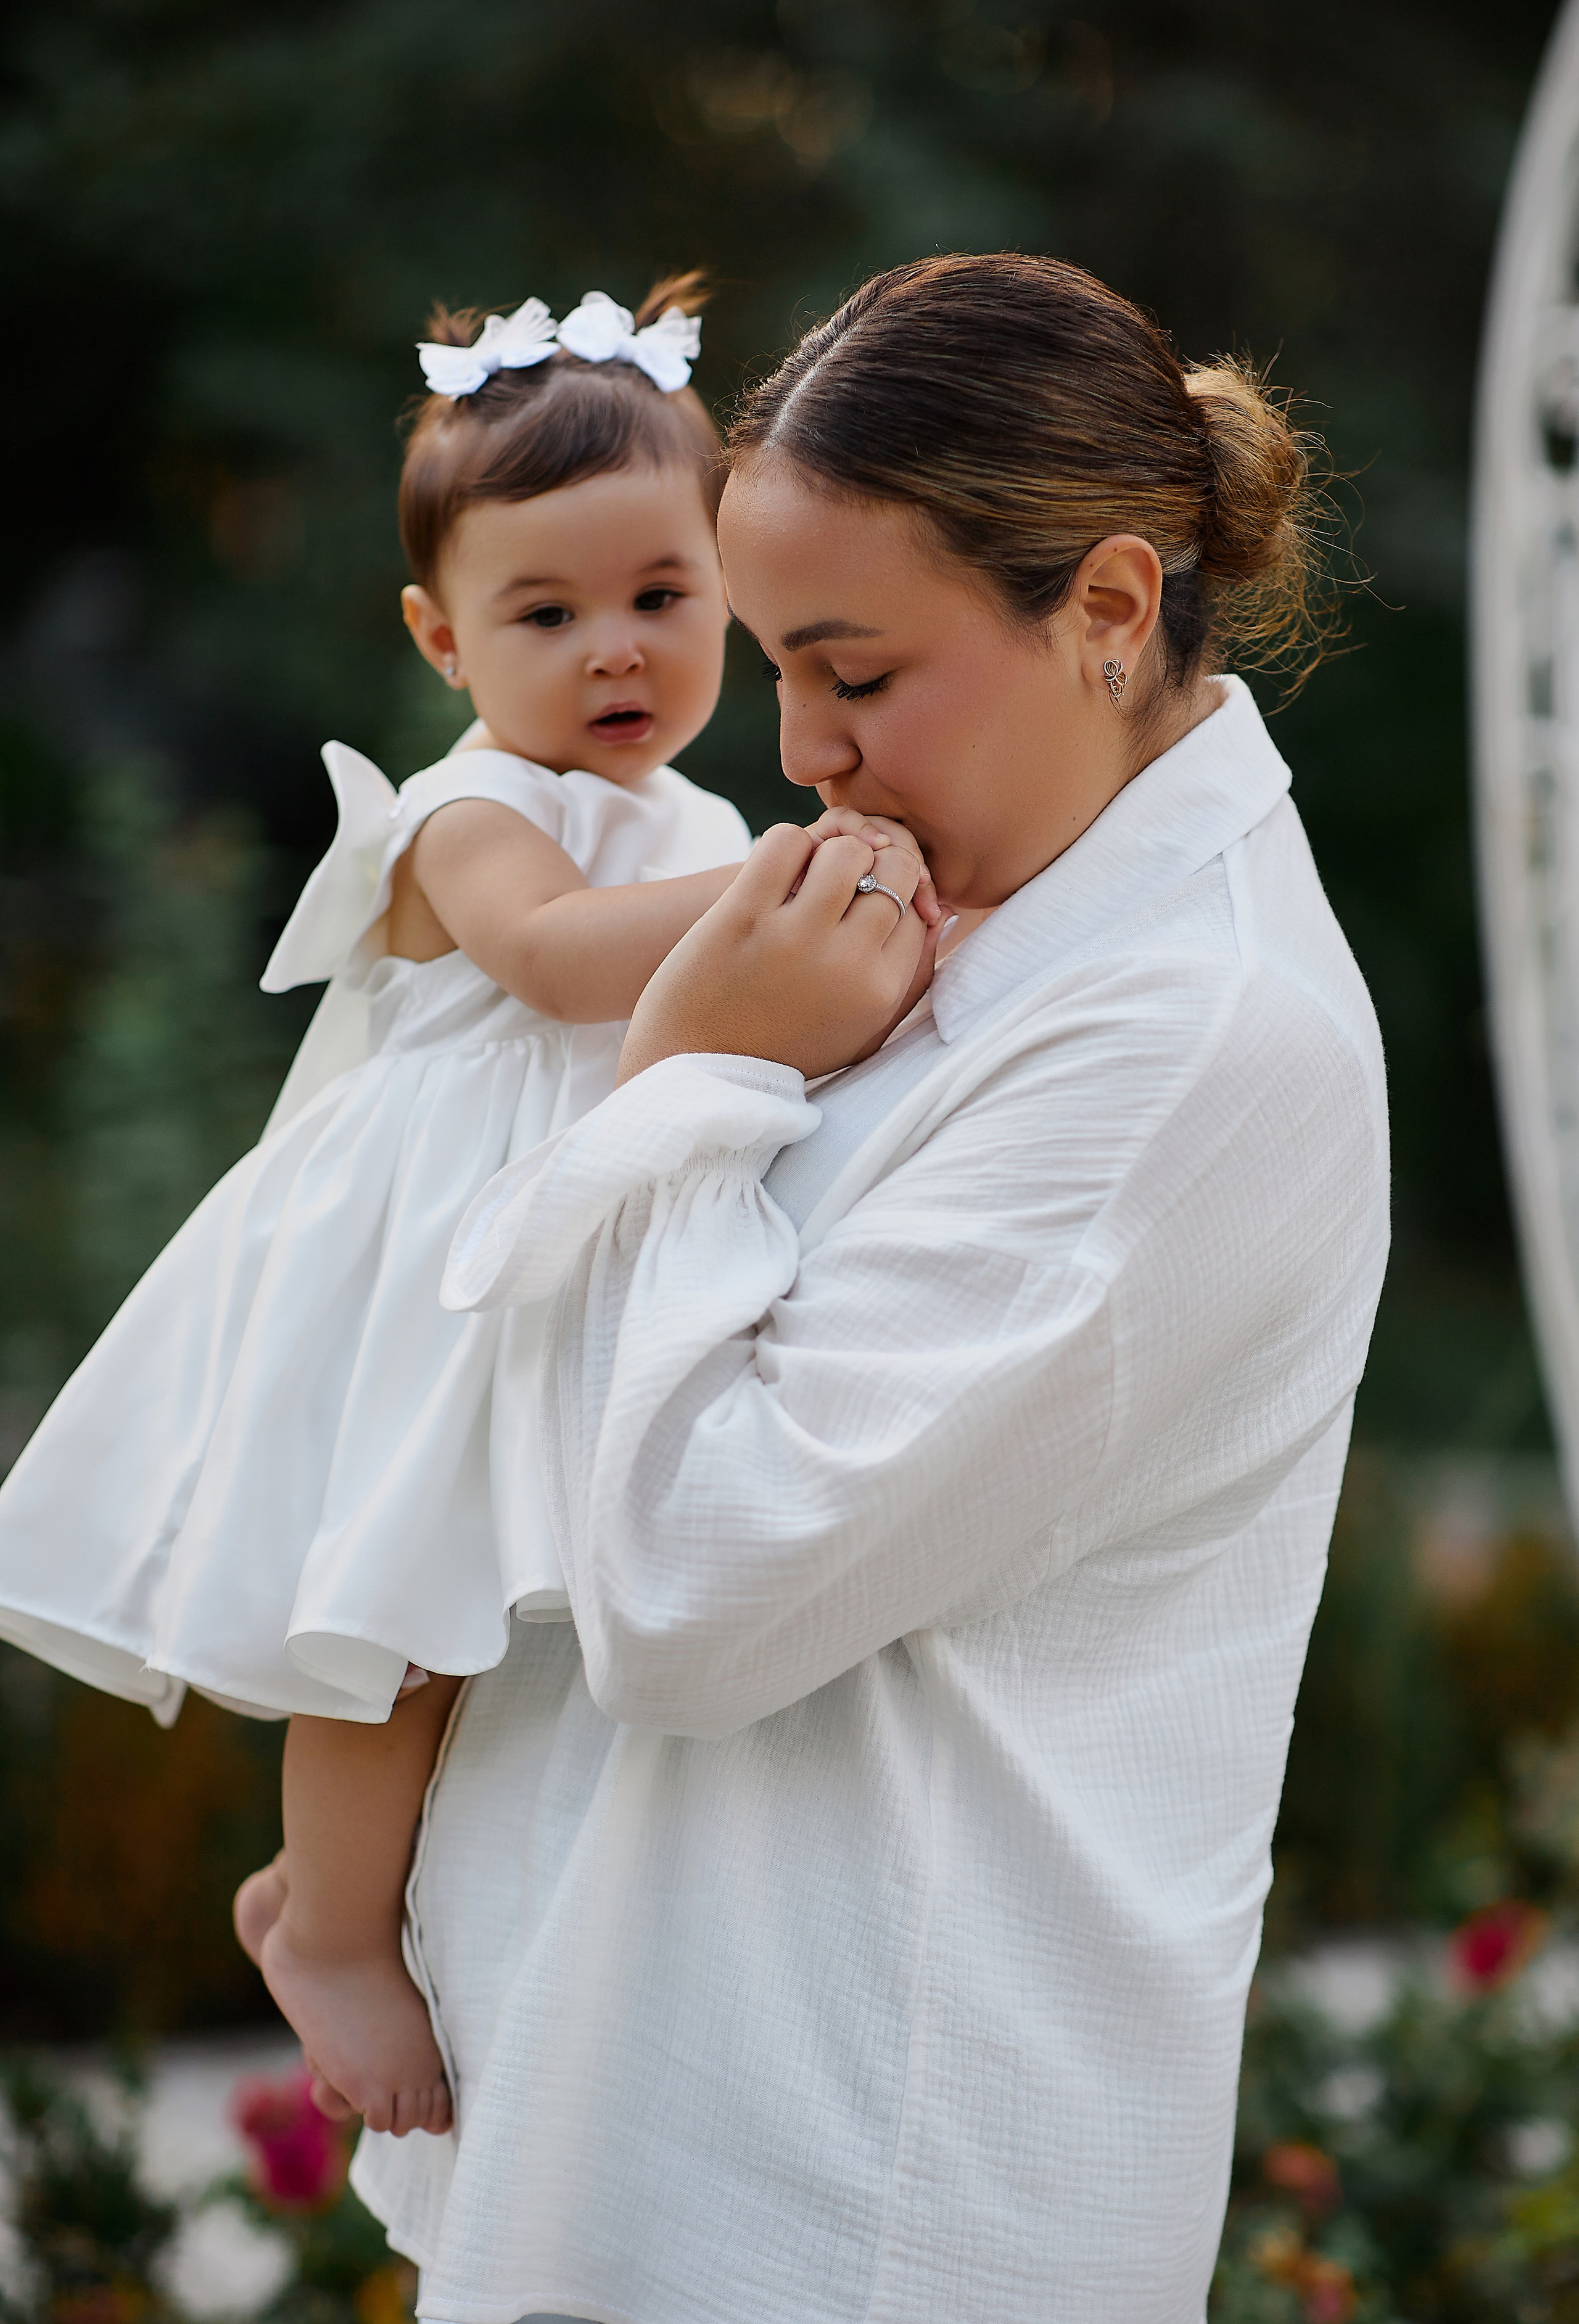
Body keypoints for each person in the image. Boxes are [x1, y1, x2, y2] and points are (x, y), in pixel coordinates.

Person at [350, 253, 1391, 2324]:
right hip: (674, 2111)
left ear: (1106, 609)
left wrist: (691, 1077)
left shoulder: (1192, 1039)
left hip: (860, 2187)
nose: (803, 751)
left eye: (858, 672)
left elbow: (694, 1592)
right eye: (778, 668)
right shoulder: (983, 911)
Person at [0, 274, 896, 2138]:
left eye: (662, 596)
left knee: (551, 1611)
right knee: (402, 1621)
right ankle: (319, 1917)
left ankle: (480, 1900)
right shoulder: (465, 811)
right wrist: (805, 893)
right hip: (430, 1275)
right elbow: (566, 966)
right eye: (545, 611)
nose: (615, 651)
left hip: (568, 1250)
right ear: (440, 637)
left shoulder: (710, 825)